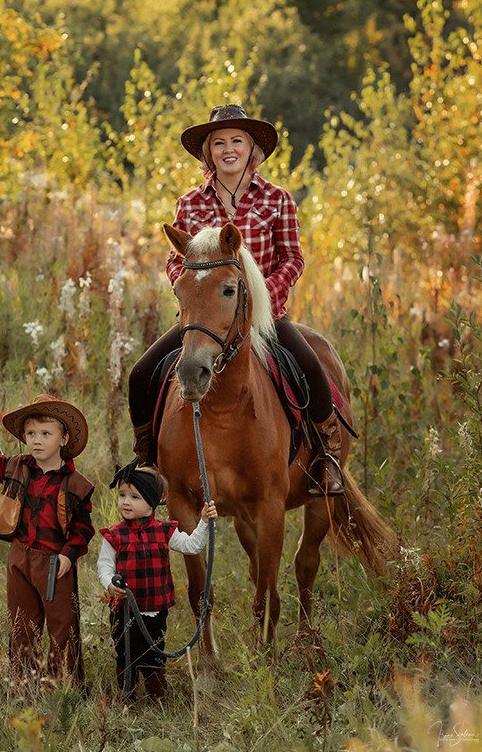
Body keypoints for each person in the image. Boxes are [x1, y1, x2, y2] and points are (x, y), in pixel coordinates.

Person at [127, 103, 345, 496]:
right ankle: (148, 457)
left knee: (312, 368)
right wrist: (188, 287)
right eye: (219, 142)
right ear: (208, 153)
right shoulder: (189, 203)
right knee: (141, 374)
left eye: (237, 141)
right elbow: (175, 261)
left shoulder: (278, 199)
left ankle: (327, 454)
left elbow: (293, 259)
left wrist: (263, 299)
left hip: (265, 319)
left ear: (252, 150)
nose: (229, 149)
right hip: (207, 318)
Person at [0, 392, 95, 691]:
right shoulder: (16, 466)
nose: (37, 440)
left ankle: (62, 686)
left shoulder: (76, 485)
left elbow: (83, 529)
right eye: (31, 434)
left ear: (63, 439)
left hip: (54, 563)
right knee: (21, 624)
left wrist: (68, 554)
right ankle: (23, 683)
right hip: (20, 557)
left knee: (62, 626)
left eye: (46, 434)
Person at [97, 462, 217, 700]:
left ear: (151, 503)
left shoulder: (165, 531)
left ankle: (157, 697)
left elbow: (192, 546)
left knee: (154, 654)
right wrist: (110, 583)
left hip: (155, 609)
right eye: (122, 495)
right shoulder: (114, 535)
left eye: (134, 497)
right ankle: (127, 697)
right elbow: (104, 565)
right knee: (125, 653)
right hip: (125, 609)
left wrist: (203, 522)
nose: (126, 502)